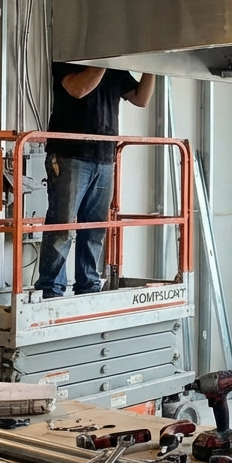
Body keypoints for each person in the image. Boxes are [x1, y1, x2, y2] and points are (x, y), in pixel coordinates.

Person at [35, 65, 156, 298]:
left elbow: (141, 99)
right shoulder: (68, 60)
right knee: (63, 227)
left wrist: (152, 66)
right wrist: (106, 60)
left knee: (95, 229)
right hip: (70, 154)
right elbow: (79, 89)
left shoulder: (115, 69)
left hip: (104, 156)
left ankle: (88, 285)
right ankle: (50, 290)